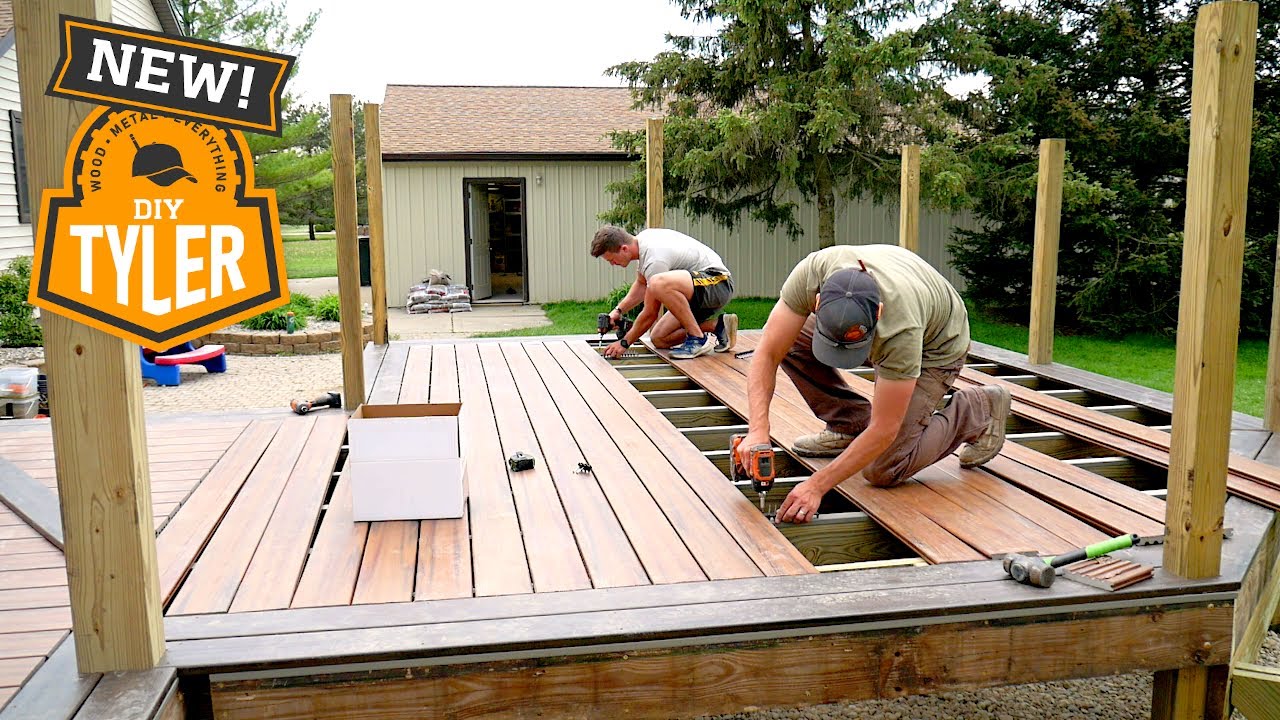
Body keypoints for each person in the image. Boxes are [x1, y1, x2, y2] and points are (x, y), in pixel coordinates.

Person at [737, 244, 1012, 524]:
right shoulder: (812, 272)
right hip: (904, 300)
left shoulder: (901, 329)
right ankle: (850, 424)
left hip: (936, 345)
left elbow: (885, 429)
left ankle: (977, 409)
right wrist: (758, 430)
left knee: (883, 468)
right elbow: (768, 352)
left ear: (878, 312)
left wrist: (817, 485)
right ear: (817, 303)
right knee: (790, 341)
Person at [590, 225, 738, 360]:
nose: (612, 264)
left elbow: (650, 313)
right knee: (659, 338)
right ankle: (717, 326)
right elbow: (642, 284)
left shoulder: (655, 259)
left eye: (612, 259)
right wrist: (618, 311)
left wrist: (624, 343)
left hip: (717, 282)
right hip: (698, 291)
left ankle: (698, 339)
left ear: (624, 249)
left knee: (657, 283)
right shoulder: (643, 244)